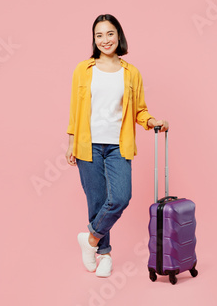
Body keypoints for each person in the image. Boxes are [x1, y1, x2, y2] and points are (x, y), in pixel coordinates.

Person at [65, 14, 169, 278]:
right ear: (94, 40)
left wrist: (152, 121)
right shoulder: (83, 69)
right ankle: (105, 253)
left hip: (117, 146)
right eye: (99, 35)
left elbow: (139, 110)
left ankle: (88, 240)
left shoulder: (131, 72)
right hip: (88, 145)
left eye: (109, 34)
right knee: (97, 201)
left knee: (120, 198)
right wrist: (70, 142)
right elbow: (75, 111)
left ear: (118, 35)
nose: (104, 40)